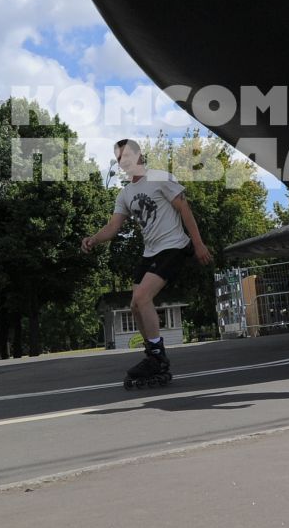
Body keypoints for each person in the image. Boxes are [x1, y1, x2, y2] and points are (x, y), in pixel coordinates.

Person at [81, 139, 212, 388]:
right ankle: (152, 354)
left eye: (128, 155)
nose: (124, 161)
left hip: (174, 246)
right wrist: (93, 240)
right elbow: (112, 228)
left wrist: (198, 243)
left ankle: (157, 357)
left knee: (142, 297)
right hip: (150, 251)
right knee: (134, 305)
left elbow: (185, 209)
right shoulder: (125, 193)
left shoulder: (160, 177)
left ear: (140, 155)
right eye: (119, 158)